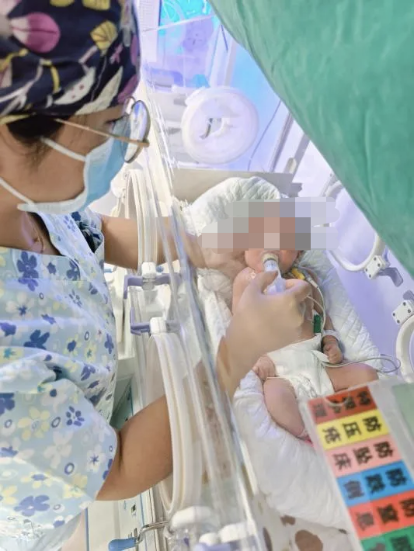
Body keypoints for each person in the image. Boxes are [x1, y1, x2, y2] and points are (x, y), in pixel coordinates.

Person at [0, 2, 311, 549]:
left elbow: (91, 232)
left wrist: (198, 248)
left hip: (90, 397)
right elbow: (117, 469)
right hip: (58, 491)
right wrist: (239, 350)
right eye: (109, 126)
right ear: (13, 135)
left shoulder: (26, 197)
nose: (124, 142)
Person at [232, 249, 378, 440]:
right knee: (276, 399)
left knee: (367, 374)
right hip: (282, 372)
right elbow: (240, 325)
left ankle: (351, 418)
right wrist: (259, 357)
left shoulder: (307, 277)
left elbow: (323, 316)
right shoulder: (246, 280)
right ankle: (308, 434)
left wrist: (331, 341)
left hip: (319, 363)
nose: (270, 245)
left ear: (298, 251)